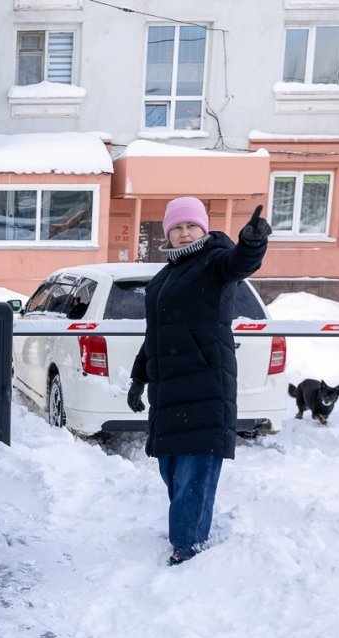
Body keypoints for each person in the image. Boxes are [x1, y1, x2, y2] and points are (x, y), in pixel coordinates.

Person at [127, 198, 271, 567]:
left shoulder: (214, 261)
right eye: (177, 227)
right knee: (171, 467)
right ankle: (188, 530)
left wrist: (252, 244)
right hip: (170, 388)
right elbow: (156, 333)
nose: (185, 232)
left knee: (195, 468)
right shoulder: (164, 277)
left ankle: (188, 546)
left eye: (192, 225)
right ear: (168, 233)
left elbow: (240, 263)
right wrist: (138, 376)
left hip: (205, 385)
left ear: (204, 229)